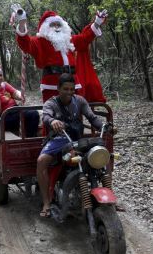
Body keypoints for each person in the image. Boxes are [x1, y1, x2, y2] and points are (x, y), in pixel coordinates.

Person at [36, 73, 105, 217]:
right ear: (58, 88)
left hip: (77, 139)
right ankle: (47, 202)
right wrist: (52, 121)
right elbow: (46, 116)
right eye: (65, 89)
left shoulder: (79, 100)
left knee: (104, 155)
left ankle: (107, 194)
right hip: (59, 139)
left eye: (71, 89)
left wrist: (104, 127)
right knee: (41, 161)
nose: (69, 92)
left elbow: (91, 117)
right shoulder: (51, 103)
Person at [10, 4, 107, 103]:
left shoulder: (69, 40)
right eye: (52, 25)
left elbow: (85, 38)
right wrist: (22, 22)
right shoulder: (40, 41)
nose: (56, 27)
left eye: (58, 24)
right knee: (53, 114)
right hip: (52, 85)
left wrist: (96, 23)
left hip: (72, 84)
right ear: (45, 27)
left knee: (75, 113)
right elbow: (26, 43)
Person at [0, 64, 39, 137]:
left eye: (0, 75)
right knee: (33, 114)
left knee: (38, 112)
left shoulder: (3, 85)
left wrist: (21, 95)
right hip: (2, 119)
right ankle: (30, 140)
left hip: (14, 112)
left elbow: (15, 93)